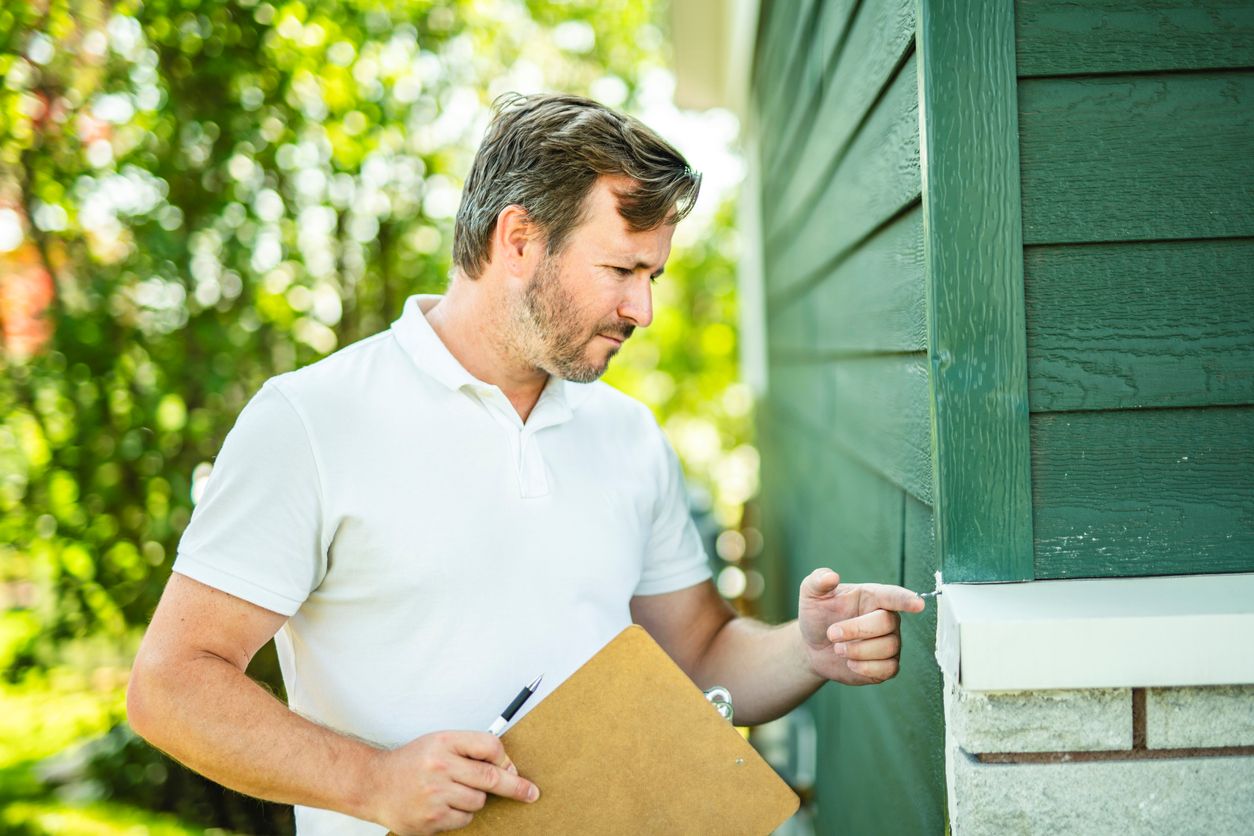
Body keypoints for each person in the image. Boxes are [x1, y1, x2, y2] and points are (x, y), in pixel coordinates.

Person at [126, 93, 926, 836]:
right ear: (518, 241)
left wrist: (806, 650)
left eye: (651, 276)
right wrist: (373, 780)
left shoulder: (628, 435)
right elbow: (171, 684)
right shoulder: (312, 419)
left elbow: (701, 658)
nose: (641, 310)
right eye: (620, 271)